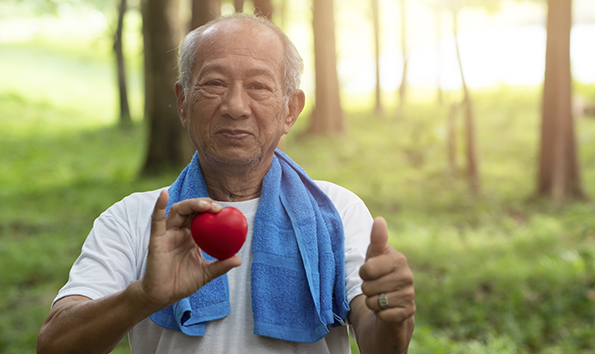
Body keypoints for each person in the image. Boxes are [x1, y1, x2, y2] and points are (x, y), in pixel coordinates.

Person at [36, 12, 415, 354]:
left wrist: (390, 314)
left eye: (259, 87)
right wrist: (141, 297)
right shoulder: (137, 219)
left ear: (290, 110)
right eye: (214, 83)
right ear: (183, 103)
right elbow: (54, 345)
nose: (235, 106)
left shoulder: (336, 211)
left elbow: (378, 341)